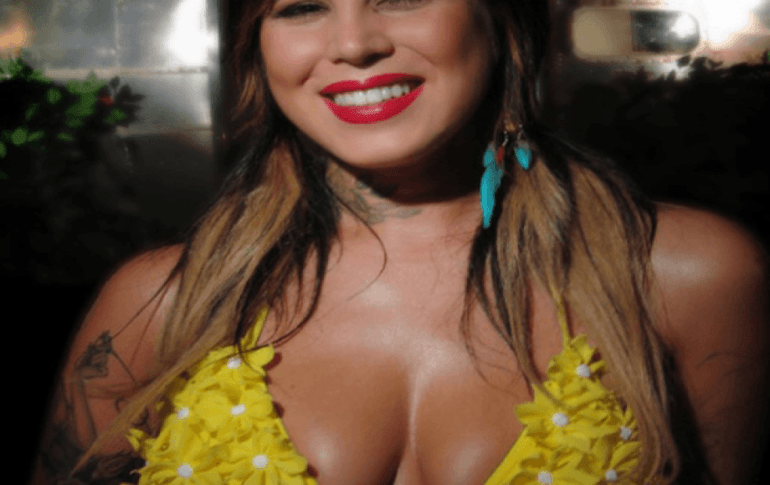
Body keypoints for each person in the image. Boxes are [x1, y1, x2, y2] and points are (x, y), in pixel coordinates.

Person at [30, 0, 769, 483]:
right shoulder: (161, 304)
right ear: (258, 50)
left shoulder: (683, 278)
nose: (355, 44)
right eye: (302, 7)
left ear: (501, 22)